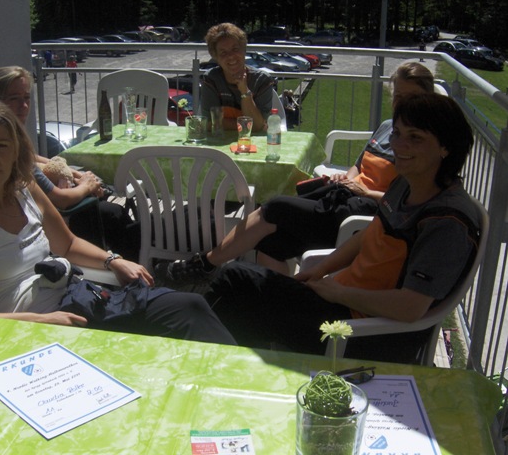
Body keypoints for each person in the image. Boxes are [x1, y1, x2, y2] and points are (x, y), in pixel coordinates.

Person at [0, 98, 236, 346]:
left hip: (77, 299)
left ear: (15, 151)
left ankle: (242, 384)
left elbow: (66, 244)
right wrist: (40, 321)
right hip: (28, 333)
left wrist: (113, 260)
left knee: (190, 308)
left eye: (1, 145)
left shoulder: (24, 189)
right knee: (168, 338)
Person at [205, 93, 479, 363]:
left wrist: (339, 293)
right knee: (245, 292)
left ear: (446, 147)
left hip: (363, 335)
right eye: (397, 134)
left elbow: (410, 307)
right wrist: (319, 271)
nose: (398, 145)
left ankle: (210, 362)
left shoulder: (446, 222)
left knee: (234, 281)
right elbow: (367, 237)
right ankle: (237, 363)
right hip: (343, 304)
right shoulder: (406, 184)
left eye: (415, 137)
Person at [161, 62, 436, 280]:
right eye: (397, 96)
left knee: (275, 206)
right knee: (269, 244)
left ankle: (205, 264)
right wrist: (347, 178)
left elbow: (412, 202)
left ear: (427, 98)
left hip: (364, 215)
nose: (401, 103)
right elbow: (358, 165)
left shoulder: (425, 143)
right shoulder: (388, 127)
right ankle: (284, 298)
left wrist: (366, 191)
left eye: (410, 97)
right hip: (344, 195)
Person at [0, 66, 140, 261]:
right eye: (14, 98)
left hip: (44, 212)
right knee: (112, 214)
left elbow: (33, 158)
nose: (23, 105)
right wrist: (86, 185)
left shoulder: (12, 134)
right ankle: (136, 262)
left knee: (112, 212)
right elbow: (61, 199)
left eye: (26, 97)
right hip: (47, 222)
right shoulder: (7, 145)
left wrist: (79, 176)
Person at [200, 23, 274, 132]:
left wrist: (245, 92)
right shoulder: (211, 79)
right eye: (223, 53)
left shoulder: (262, 80)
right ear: (216, 57)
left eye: (235, 49)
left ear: (244, 50)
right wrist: (246, 125)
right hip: (219, 139)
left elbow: (258, 127)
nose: (230, 56)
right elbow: (208, 123)